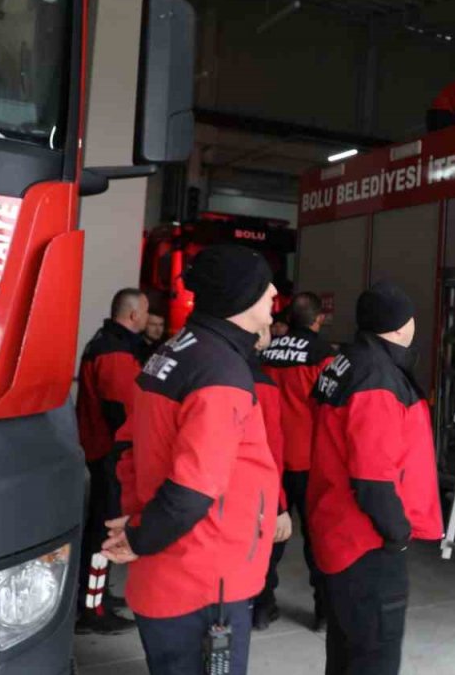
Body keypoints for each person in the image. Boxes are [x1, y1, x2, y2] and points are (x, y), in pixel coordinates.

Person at [102, 245, 279, 675]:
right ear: (240, 298)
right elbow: (194, 487)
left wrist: (137, 519)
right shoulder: (219, 371)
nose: (274, 291)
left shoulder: (175, 352)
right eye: (264, 287)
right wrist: (139, 535)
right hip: (205, 578)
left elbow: (127, 445)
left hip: (173, 568)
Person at [308, 281, 442, 675]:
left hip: (337, 531)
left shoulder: (345, 362)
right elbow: (373, 477)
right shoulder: (378, 379)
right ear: (402, 326)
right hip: (365, 544)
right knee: (373, 657)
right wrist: (397, 533)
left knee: (347, 651)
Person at [74, 287, 149, 635]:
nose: (148, 320)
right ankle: (93, 609)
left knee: (100, 529)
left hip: (99, 451)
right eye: (146, 313)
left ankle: (98, 593)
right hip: (109, 456)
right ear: (133, 315)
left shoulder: (105, 343)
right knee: (104, 533)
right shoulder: (115, 353)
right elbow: (124, 414)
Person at [257, 292, 332, 630]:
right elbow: (330, 408)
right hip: (308, 460)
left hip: (270, 459)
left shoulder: (268, 350)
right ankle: (325, 612)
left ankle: (260, 607)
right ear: (317, 319)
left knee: (268, 537)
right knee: (319, 539)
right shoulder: (321, 354)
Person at [252, 327, 293, 631]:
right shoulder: (263, 386)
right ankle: (262, 606)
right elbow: (272, 450)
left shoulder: (203, 368)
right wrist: (279, 507)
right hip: (258, 487)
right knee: (267, 547)